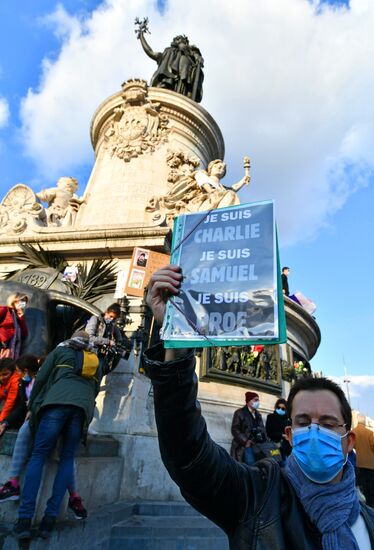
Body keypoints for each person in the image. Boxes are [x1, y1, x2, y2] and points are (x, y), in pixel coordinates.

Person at [141, 265, 374, 549]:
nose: (313, 431)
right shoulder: (256, 496)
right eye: (302, 422)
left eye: (326, 423)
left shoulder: (369, 523)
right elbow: (189, 456)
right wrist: (176, 337)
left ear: (348, 440)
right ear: (288, 435)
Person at [12, 331, 105, 539]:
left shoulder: (60, 351)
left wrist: (32, 408)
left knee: (38, 455)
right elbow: (95, 390)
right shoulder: (95, 360)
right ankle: (48, 520)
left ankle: (25, 520)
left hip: (55, 406)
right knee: (66, 458)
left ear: (72, 339)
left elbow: (41, 379)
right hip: (80, 411)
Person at [230, 391, 266, 465]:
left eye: (258, 400)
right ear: (249, 401)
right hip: (245, 446)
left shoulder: (258, 414)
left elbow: (263, 429)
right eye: (255, 400)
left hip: (258, 446)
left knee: (259, 466)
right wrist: (246, 441)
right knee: (250, 465)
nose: (258, 402)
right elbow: (235, 429)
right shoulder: (240, 412)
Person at [0, 293, 29, 360]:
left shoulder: (17, 316)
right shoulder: (4, 310)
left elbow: (24, 333)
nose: (23, 304)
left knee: (6, 367)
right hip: (3, 345)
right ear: (13, 301)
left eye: (24, 302)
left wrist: (21, 319)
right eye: (21, 301)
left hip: (12, 348)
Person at [353, 415, 374, 507]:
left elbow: (352, 446)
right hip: (371, 463)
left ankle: (367, 502)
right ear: (364, 421)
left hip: (359, 463)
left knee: (364, 484)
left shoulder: (353, 433)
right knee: (372, 483)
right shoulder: (369, 433)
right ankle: (372, 502)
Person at [265, 397, 292, 463]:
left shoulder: (288, 420)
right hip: (274, 445)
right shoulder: (271, 417)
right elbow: (268, 432)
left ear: (286, 409)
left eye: (283, 408)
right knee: (276, 464)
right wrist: (282, 435)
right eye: (278, 407)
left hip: (286, 448)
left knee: (285, 465)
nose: (280, 409)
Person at [0, 358, 21, 435]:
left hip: (19, 412)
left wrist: (1, 421)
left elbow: (10, 402)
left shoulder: (16, 381)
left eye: (5, 374)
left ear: (13, 372)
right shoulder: (4, 381)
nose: (2, 378)